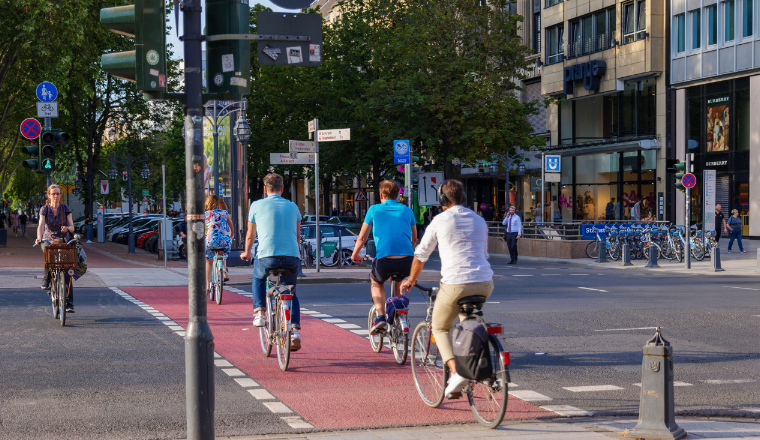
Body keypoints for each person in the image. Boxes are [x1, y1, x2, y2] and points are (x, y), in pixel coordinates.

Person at [400, 180, 493, 399]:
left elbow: (421, 254)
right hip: (485, 282)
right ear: (463, 198)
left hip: (455, 283)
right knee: (467, 320)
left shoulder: (439, 220)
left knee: (440, 327)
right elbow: (484, 253)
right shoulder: (479, 220)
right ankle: (478, 363)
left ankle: (457, 372)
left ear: (443, 200)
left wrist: (411, 280)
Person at [241, 173, 303, 351]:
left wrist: (246, 252)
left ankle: (260, 313)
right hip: (291, 257)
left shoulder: (256, 205)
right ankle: (295, 331)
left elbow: (250, 234)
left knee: (258, 278)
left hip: (267, 257)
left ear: (264, 189)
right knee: (291, 292)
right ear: (282, 188)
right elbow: (297, 236)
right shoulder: (293, 207)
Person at [351, 180, 417, 334]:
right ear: (398, 196)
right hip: (407, 258)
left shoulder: (374, 210)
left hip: (384, 259)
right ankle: (398, 312)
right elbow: (414, 238)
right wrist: (408, 252)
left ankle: (381, 317)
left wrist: (355, 255)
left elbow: (362, 238)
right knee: (398, 279)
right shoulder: (407, 211)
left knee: (376, 281)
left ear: (381, 195)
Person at [36, 184, 76, 312]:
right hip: (48, 239)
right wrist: (39, 237)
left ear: (60, 195)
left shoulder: (65, 208)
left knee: (68, 269)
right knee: (48, 252)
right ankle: (46, 279)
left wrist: (67, 229)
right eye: (53, 194)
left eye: (58, 194)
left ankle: (69, 303)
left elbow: (72, 227)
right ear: (49, 195)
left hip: (63, 239)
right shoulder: (44, 209)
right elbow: (41, 225)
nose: (56, 196)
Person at [205, 195, 234, 292]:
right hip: (224, 240)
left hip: (211, 240)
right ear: (217, 203)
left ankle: (207, 286)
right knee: (222, 254)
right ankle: (224, 270)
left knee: (209, 261)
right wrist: (231, 234)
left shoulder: (206, 214)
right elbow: (231, 226)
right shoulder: (224, 212)